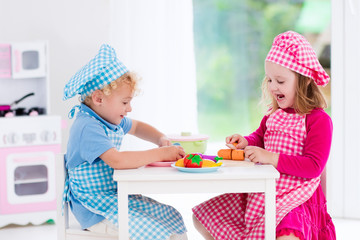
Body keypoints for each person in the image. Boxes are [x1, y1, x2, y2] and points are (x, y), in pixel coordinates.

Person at [192, 31, 336, 240]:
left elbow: (313, 167)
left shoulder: (318, 120)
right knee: (204, 217)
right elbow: (259, 138)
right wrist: (245, 142)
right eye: (269, 79)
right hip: (262, 192)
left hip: (296, 198)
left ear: (303, 81)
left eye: (280, 80)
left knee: (287, 235)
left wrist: (270, 158)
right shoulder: (273, 116)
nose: (273, 86)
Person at [62, 44, 188, 240]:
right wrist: (161, 153)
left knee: (170, 217)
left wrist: (160, 138)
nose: (129, 108)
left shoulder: (108, 118)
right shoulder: (87, 126)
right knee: (153, 232)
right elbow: (117, 161)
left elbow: (137, 127)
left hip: (113, 197)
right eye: (124, 102)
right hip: (95, 208)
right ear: (98, 98)